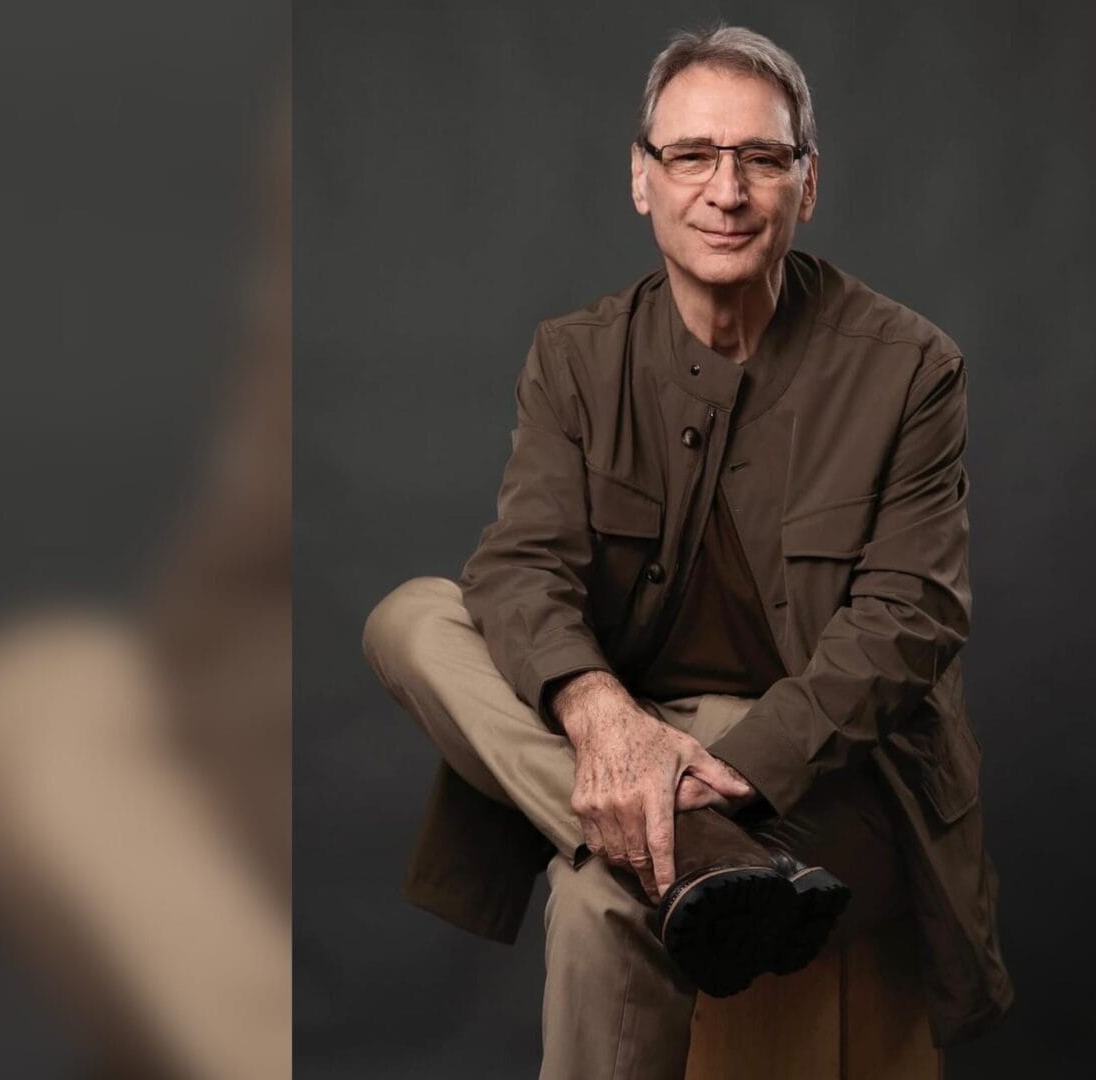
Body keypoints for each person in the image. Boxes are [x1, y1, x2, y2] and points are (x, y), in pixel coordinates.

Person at [363, 24, 1011, 1078]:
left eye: (762, 158)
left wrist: (732, 773)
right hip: (627, 727)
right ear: (642, 178)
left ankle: (678, 846)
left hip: (823, 774)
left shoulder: (911, 367)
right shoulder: (575, 358)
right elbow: (522, 567)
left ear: (808, 184)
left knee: (597, 899)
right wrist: (602, 713)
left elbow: (911, 620)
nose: (727, 191)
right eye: (693, 155)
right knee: (412, 617)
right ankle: (697, 861)